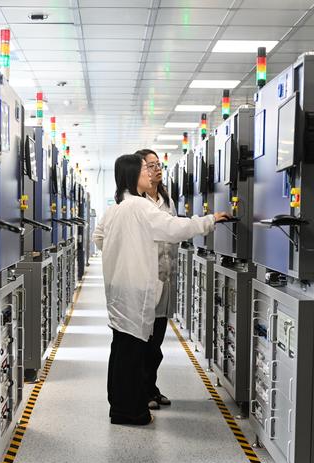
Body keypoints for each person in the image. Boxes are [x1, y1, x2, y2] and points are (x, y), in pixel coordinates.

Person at [94, 154, 230, 425]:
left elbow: (101, 240)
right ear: (133, 175)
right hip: (134, 291)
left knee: (121, 351)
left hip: (120, 290)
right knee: (131, 354)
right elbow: (174, 227)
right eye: (145, 169)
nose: (150, 173)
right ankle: (131, 412)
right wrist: (209, 220)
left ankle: (120, 406)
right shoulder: (139, 207)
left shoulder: (118, 208)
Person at [135, 149, 176, 411]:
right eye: (150, 165)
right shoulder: (136, 202)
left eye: (158, 164)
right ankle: (143, 390)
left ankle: (151, 386)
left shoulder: (166, 200)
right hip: (146, 282)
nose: (156, 169)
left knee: (157, 341)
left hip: (166, 278)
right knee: (146, 343)